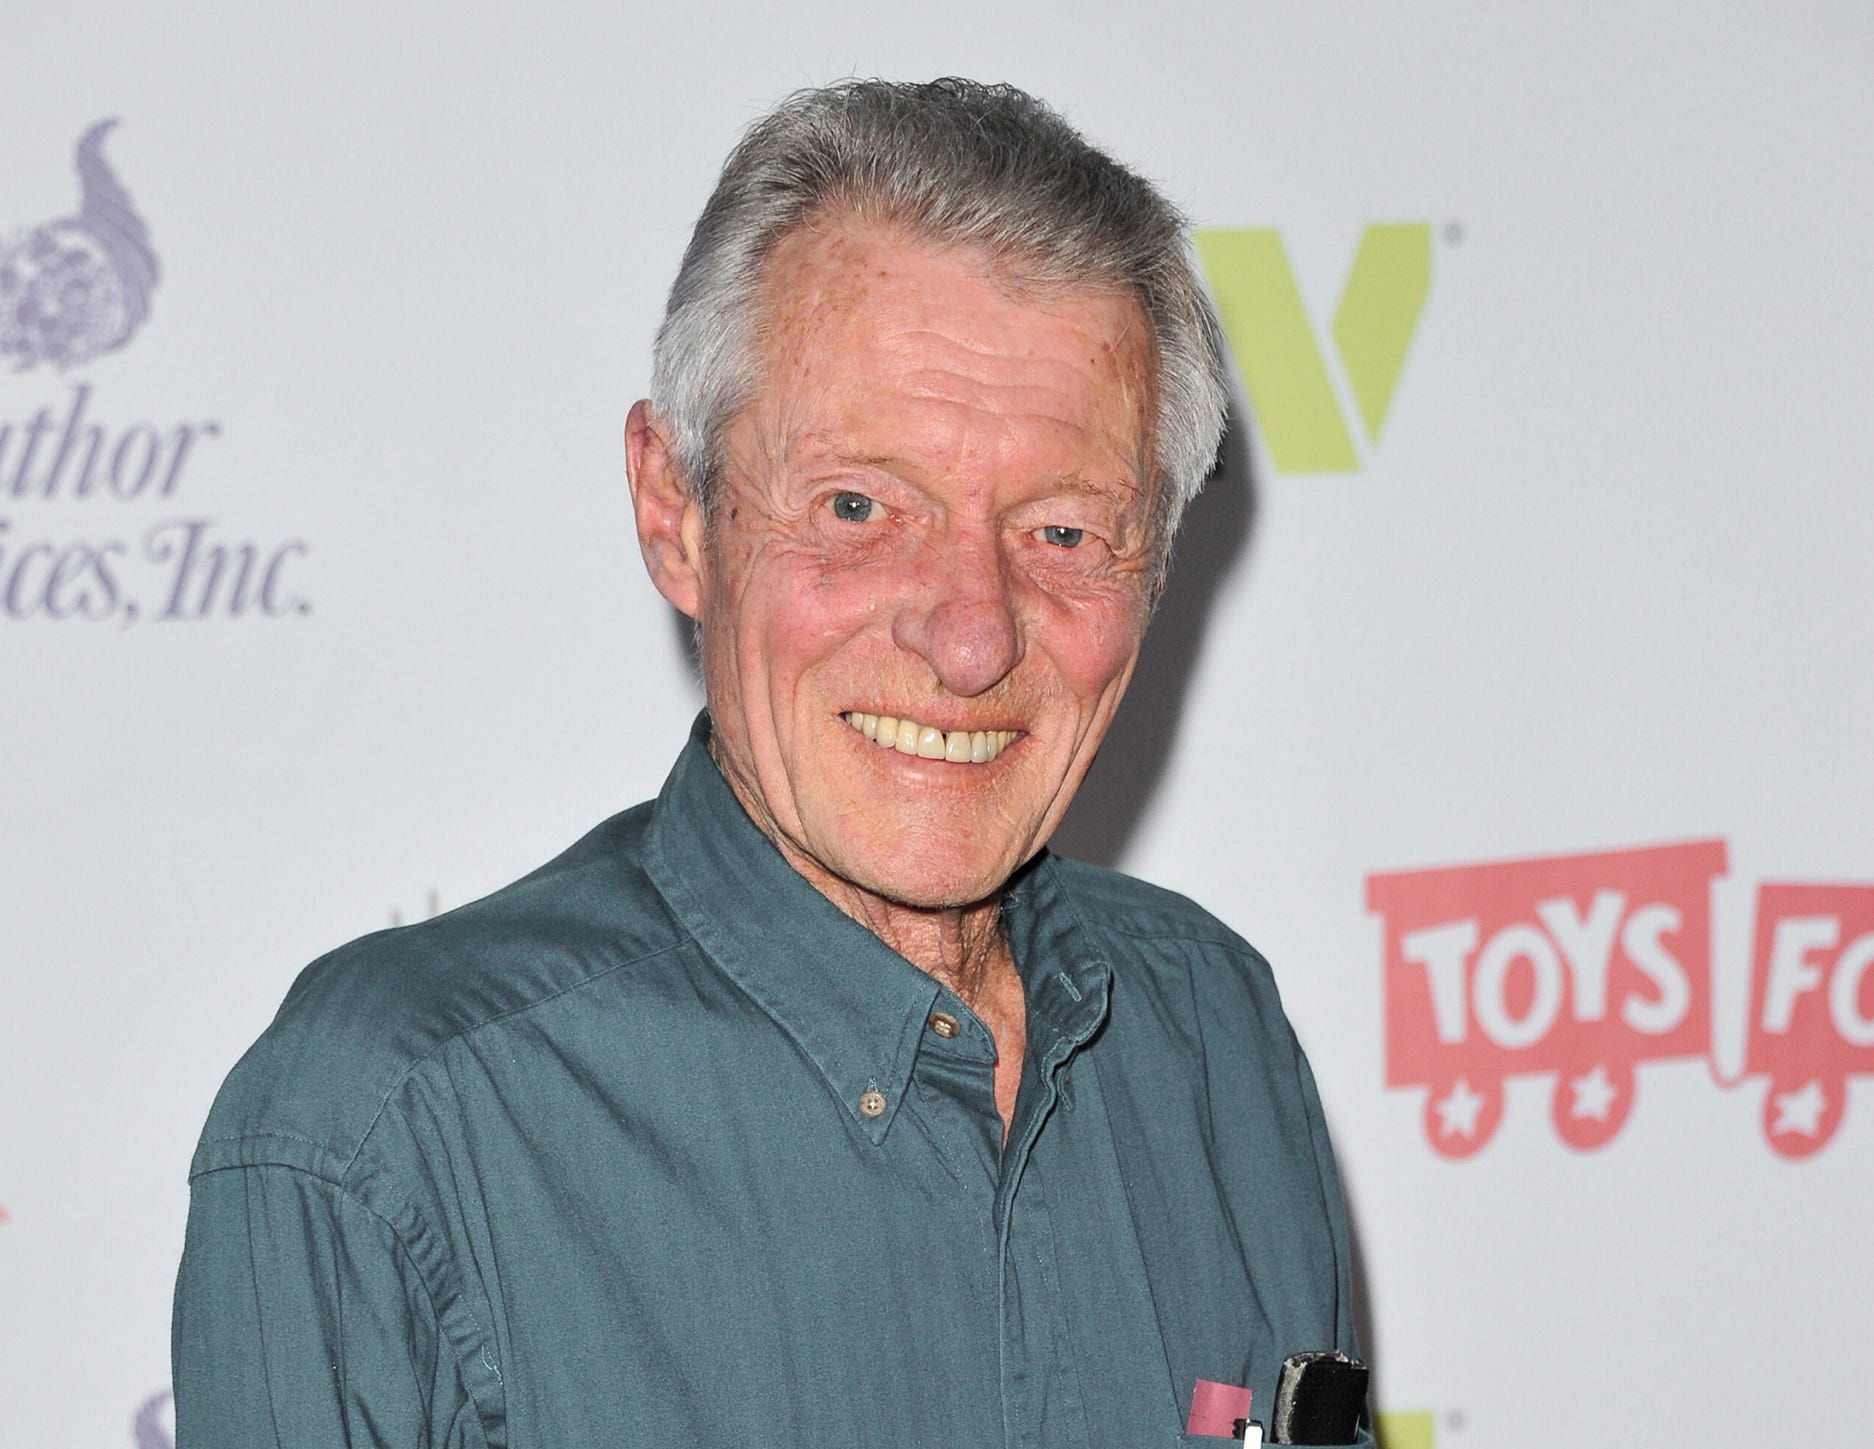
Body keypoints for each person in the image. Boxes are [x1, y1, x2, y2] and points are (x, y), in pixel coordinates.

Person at [173, 78, 1367, 1448]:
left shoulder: (1209, 1027)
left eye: (1061, 531)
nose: (970, 637)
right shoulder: (387, 1124)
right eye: (858, 507)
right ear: (674, 511)